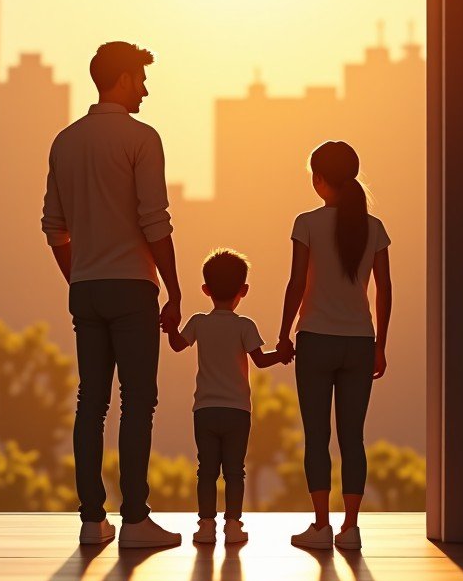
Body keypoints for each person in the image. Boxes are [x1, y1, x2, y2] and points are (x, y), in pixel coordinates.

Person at [42, 41, 183, 548]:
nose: (144, 90)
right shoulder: (142, 138)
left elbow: (53, 226)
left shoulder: (65, 142)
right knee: (137, 402)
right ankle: (136, 520)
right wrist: (174, 287)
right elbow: (154, 220)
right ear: (122, 79)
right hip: (131, 287)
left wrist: (78, 274)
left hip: (86, 288)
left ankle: (90, 519)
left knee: (91, 403)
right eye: (141, 80)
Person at [276, 141, 393, 551]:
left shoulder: (306, 223)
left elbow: (295, 284)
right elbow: (384, 290)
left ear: (320, 179)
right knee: (352, 437)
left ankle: (321, 526)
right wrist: (381, 343)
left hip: (315, 342)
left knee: (316, 436)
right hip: (359, 342)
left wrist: (283, 333)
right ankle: (351, 528)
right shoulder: (373, 227)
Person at [164, 249, 290, 544]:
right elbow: (260, 360)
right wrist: (282, 354)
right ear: (243, 290)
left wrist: (170, 327)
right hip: (237, 411)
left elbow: (177, 346)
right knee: (235, 471)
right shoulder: (245, 325)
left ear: (205, 289)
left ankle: (205, 525)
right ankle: (233, 525)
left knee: (206, 470)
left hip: (205, 409)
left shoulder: (198, 322)